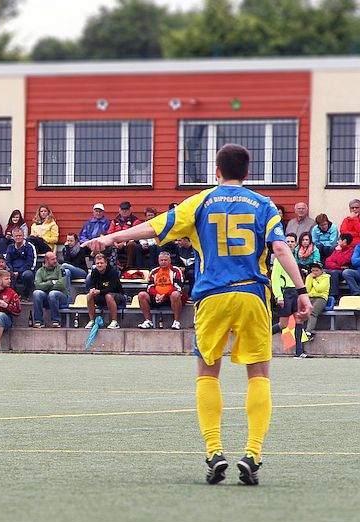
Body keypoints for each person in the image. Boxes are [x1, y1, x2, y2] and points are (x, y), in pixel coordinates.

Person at [85, 143, 311, 486]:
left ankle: (214, 451)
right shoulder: (264, 204)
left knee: (208, 372)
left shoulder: (201, 201)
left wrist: (109, 238)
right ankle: (252, 454)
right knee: (258, 374)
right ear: (247, 173)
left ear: (217, 171)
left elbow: (154, 227)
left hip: (212, 296)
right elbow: (280, 247)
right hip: (252, 294)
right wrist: (301, 290)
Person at [136, 251, 185, 330]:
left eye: (165, 260)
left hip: (170, 297)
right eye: (161, 260)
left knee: (175, 294)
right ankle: (148, 321)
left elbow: (178, 286)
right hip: (156, 297)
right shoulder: (154, 271)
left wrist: (164, 295)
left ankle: (176, 321)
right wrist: (156, 294)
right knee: (142, 295)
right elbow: (150, 286)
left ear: (170, 261)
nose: (163, 262)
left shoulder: (176, 270)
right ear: (158, 261)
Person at [84, 253, 125, 329]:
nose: (99, 265)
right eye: (97, 263)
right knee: (89, 295)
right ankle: (92, 321)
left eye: (101, 263)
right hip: (101, 295)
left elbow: (112, 288)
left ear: (106, 263)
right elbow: (92, 285)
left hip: (117, 296)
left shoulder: (113, 272)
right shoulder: (94, 272)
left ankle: (114, 322)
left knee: (108, 296)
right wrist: (92, 290)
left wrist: (99, 291)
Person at [31, 251, 69, 328]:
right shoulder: (40, 271)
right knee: (36, 293)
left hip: (61, 297)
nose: (55, 261)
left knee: (53, 294)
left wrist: (45, 285)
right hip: (46, 297)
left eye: (55, 258)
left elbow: (61, 285)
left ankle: (56, 321)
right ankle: (38, 321)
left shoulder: (61, 269)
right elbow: (38, 286)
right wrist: (51, 282)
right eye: (52, 259)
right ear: (46, 260)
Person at [4, 229, 36, 298]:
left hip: (25, 270)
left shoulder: (29, 247)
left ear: (23, 236)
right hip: (13, 270)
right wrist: (12, 271)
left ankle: (26, 295)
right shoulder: (10, 247)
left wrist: (18, 272)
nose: (18, 237)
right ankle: (13, 296)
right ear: (13, 237)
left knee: (28, 275)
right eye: (16, 236)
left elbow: (30, 263)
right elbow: (7, 261)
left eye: (20, 235)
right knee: (4, 274)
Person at [304, 261, 330, 338]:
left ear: (321, 270)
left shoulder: (326, 278)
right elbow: (307, 289)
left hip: (321, 298)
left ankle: (308, 332)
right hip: (310, 297)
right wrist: (309, 279)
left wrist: (314, 279)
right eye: (312, 270)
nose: (314, 272)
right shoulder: (310, 277)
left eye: (316, 270)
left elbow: (320, 289)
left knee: (313, 312)